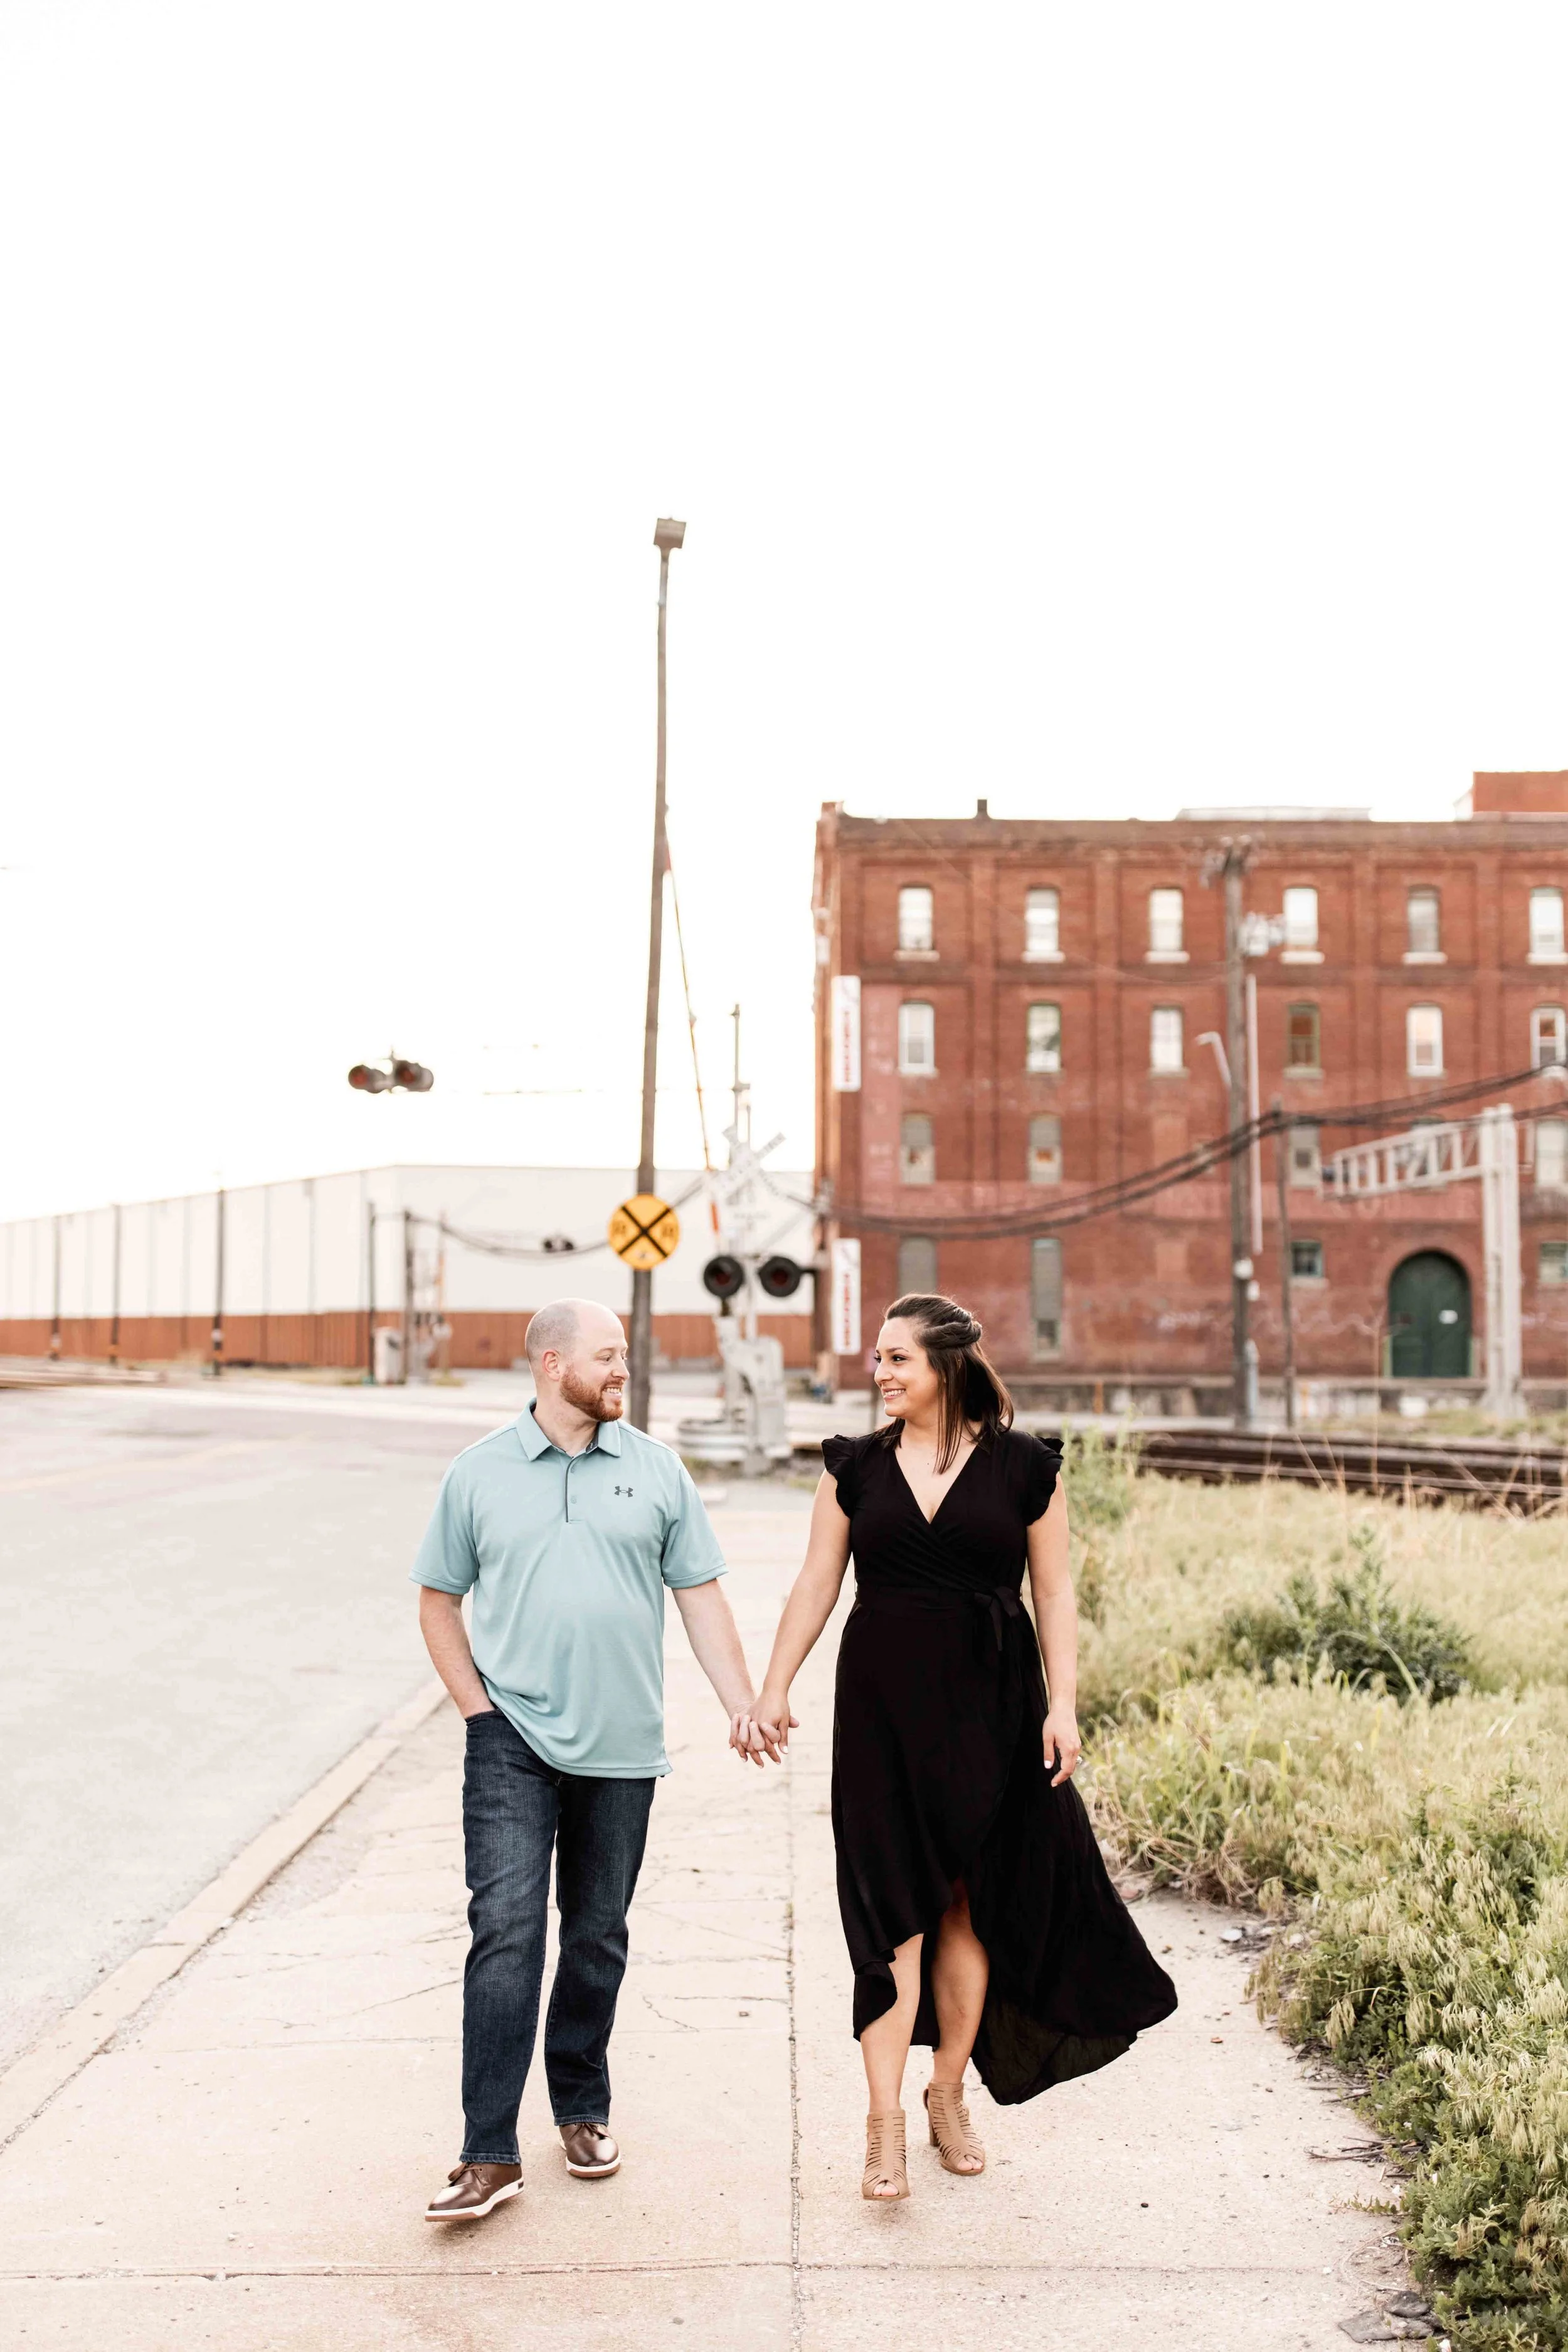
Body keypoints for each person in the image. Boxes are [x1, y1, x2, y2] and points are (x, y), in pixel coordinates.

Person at [748, 1291, 1177, 2202]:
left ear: (945, 1363)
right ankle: (883, 2126)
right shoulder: (854, 1470)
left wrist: (1064, 1703)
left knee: (965, 1908)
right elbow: (816, 1582)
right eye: (878, 1358)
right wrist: (774, 1685)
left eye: (897, 1358)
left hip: (995, 1709)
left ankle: (947, 2092)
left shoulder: (1027, 1466)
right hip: (881, 1716)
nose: (881, 1373)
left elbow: (1055, 1595)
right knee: (887, 1910)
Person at [413, 1296, 777, 2224]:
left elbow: (702, 1600)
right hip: (513, 1740)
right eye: (608, 1356)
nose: (623, 1370)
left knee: (597, 1931)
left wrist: (745, 1703)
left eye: (622, 1356)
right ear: (550, 1364)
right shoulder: (479, 1474)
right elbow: (437, 1601)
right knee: (505, 1929)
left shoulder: (655, 1471)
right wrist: (478, 1712)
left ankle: (581, 2104)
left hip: (621, 1746)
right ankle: (487, 2151)